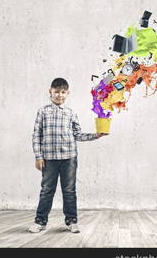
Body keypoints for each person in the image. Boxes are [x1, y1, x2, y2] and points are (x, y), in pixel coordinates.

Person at [29, 78, 108, 233]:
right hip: (49, 158)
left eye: (63, 92)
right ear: (50, 92)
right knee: (46, 190)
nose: (60, 95)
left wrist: (96, 135)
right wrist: (38, 156)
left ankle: (71, 221)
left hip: (69, 158)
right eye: (56, 91)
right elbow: (36, 135)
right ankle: (40, 221)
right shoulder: (43, 111)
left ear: (67, 93)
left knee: (69, 190)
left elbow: (77, 134)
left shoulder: (71, 113)